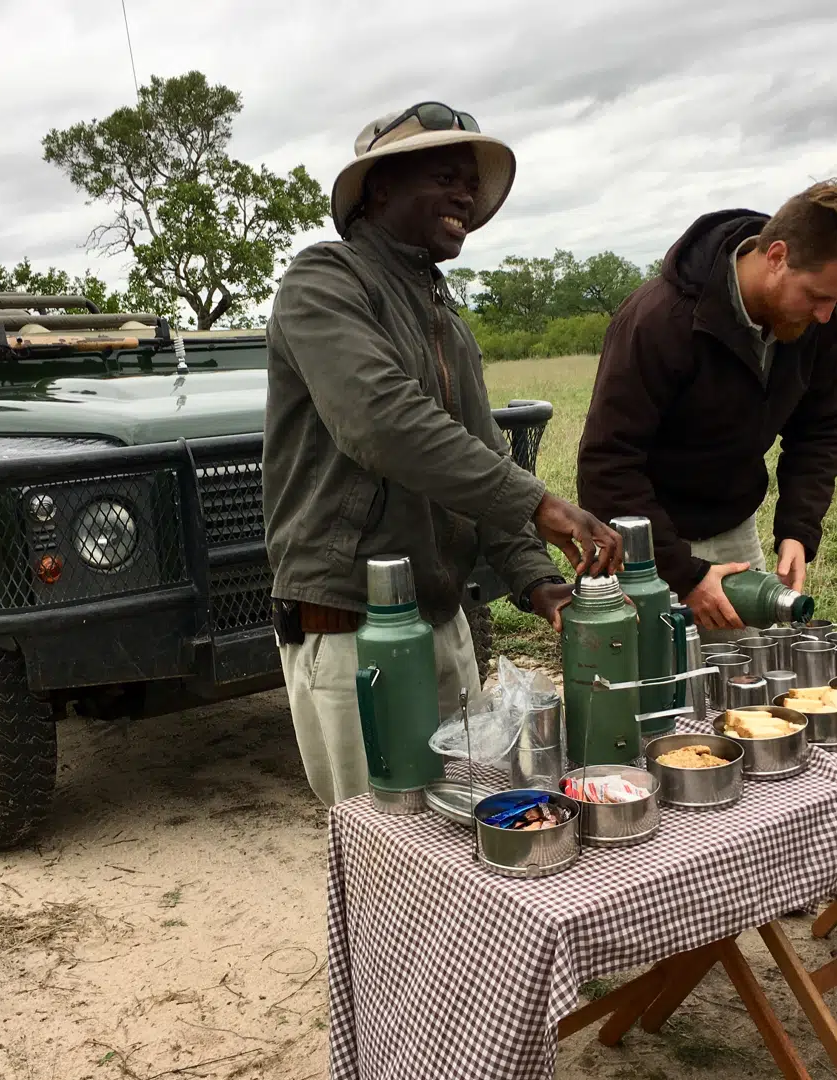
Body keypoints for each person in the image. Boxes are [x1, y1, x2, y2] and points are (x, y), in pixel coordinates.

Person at [264, 103, 623, 805]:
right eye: (446, 176)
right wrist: (541, 504)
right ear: (380, 189)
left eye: (471, 182)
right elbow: (381, 421)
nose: (465, 194)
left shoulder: (444, 319)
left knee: (461, 831)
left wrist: (534, 579)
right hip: (351, 631)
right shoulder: (322, 284)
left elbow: (480, 456)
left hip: (443, 620)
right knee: (384, 842)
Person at [577, 176, 837, 634]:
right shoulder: (658, 320)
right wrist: (684, 575)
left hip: (732, 526)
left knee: (748, 681)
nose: (826, 315)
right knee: (658, 691)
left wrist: (797, 531)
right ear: (777, 256)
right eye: (818, 296)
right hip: (642, 545)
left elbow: (820, 429)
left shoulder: (819, 319)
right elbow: (607, 465)